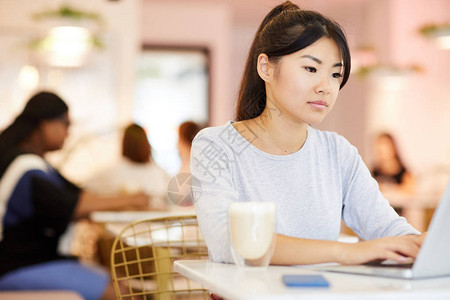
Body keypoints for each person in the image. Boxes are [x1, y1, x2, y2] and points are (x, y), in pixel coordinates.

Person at [191, 1, 425, 266]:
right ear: (266, 68)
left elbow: (387, 228)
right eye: (311, 69)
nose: (326, 87)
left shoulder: (338, 152)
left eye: (336, 74)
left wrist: (421, 243)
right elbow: (228, 242)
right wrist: (343, 251)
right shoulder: (217, 146)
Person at [0, 91, 148, 299]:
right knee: (116, 290)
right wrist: (134, 200)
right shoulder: (24, 168)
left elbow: (80, 194)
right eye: (66, 124)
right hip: (17, 265)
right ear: (45, 123)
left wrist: (129, 200)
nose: (68, 132)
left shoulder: (35, 163)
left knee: (115, 277)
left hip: (36, 259)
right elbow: (74, 206)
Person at [85, 123, 170, 210]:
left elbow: (86, 188)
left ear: (124, 143)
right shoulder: (158, 173)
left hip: (118, 222)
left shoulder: (111, 172)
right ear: (146, 143)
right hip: (155, 222)